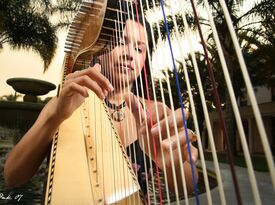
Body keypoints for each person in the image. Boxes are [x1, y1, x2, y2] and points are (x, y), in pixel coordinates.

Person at [4, 15, 198, 202]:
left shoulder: (157, 112)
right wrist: (55, 116)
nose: (129, 54)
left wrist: (171, 163)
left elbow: (190, 186)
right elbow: (12, 176)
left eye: (139, 49)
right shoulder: (65, 103)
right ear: (97, 49)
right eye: (120, 42)